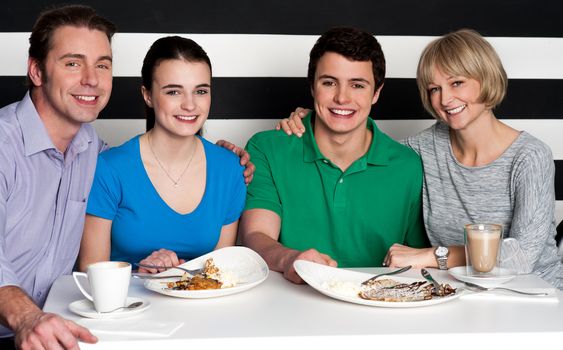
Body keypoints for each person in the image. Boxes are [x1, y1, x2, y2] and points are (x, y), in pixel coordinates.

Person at [280, 29, 563, 288]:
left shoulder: (529, 156)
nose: (445, 99)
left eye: (457, 83)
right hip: (459, 295)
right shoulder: (421, 150)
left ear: (486, 79)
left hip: (536, 295)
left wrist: (433, 256)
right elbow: (361, 145)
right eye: (434, 89)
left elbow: (523, 256)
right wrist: (315, 122)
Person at [239, 27, 428, 284]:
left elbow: (418, 259)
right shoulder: (267, 149)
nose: (341, 97)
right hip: (290, 306)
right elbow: (257, 235)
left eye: (357, 85)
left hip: (382, 308)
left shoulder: (408, 165)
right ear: (312, 86)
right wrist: (290, 259)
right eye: (329, 82)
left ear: (376, 92)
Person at [78, 36, 247, 272]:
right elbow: (90, 269)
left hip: (202, 306)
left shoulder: (230, 169)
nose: (190, 105)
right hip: (127, 305)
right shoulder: (109, 168)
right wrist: (140, 273)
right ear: (147, 95)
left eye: (200, 91)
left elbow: (219, 272)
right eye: (173, 92)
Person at [0, 5, 111, 348]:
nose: (91, 79)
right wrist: (27, 316)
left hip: (57, 330)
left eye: (103, 65)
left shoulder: (97, 150)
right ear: (36, 71)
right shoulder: (3, 143)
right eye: (73, 63)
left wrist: (223, 159)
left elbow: (151, 170)